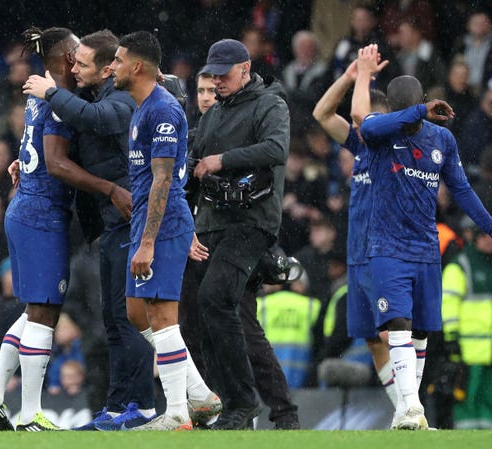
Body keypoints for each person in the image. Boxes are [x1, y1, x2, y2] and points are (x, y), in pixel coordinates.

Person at [355, 47, 492, 430]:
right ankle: (412, 409)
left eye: (417, 107)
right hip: (386, 247)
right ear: (396, 108)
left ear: (423, 102)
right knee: (399, 323)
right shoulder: (380, 133)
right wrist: (416, 113)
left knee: (423, 331)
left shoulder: (442, 139)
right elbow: (369, 126)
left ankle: (406, 412)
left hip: (426, 249)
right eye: (405, 109)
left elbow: (461, 190)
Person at [23, 29, 155, 431]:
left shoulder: (122, 100)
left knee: (134, 319)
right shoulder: (96, 96)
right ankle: (118, 409)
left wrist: (50, 93)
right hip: (112, 225)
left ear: (107, 67)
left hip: (133, 222)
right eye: (73, 61)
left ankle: (145, 406)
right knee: (115, 320)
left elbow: (95, 120)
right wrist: (25, 162)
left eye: (82, 64)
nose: (74, 69)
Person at [111, 30, 218, 431]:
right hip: (149, 221)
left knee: (161, 316)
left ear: (137, 66)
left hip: (162, 223)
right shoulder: (142, 108)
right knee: (135, 311)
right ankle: (201, 394)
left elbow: (164, 180)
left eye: (119, 61)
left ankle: (177, 413)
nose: (113, 67)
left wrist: (152, 241)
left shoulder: (163, 111)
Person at [0, 26, 79, 432]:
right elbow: (57, 161)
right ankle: (31, 413)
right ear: (67, 56)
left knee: (36, 310)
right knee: (43, 315)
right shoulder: (57, 99)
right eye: (78, 49)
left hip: (26, 209)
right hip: (41, 215)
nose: (82, 55)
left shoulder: (40, 95)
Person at [182, 70, 300, 429]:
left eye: (210, 90)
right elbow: (185, 188)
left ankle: (275, 411)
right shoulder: (200, 132)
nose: (206, 96)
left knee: (240, 326)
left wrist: (222, 161)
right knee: (199, 327)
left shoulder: (252, 118)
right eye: (200, 90)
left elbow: (271, 163)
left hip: (240, 236)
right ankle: (219, 408)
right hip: (202, 238)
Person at [311, 45, 399, 424]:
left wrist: (363, 76)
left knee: (389, 337)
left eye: (372, 122)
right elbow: (321, 113)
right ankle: (405, 412)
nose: (365, 128)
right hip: (357, 254)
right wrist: (348, 77)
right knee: (371, 339)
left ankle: (412, 405)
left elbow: (358, 113)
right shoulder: (359, 146)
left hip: (384, 253)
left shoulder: (394, 147)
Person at [441, 218, 492, 429]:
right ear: (475, 237)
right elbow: (448, 304)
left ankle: (489, 437)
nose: (489, 242)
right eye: (484, 237)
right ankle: (467, 438)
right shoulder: (460, 266)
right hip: (469, 349)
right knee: (468, 396)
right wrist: (451, 337)